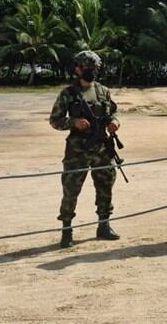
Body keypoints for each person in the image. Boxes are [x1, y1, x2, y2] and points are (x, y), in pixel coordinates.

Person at [49, 50, 122, 248]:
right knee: (71, 189)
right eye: (87, 68)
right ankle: (66, 230)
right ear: (77, 69)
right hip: (77, 150)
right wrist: (74, 122)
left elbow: (112, 113)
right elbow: (55, 121)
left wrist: (114, 122)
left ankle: (104, 225)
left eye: (94, 69)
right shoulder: (68, 94)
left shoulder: (103, 91)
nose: (91, 72)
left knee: (106, 186)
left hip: (102, 148)